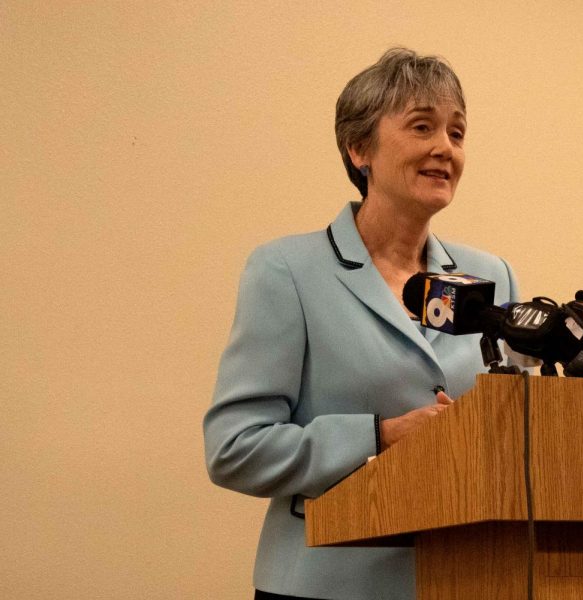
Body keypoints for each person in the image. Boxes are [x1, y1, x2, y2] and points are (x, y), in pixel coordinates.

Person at [203, 48, 519, 600]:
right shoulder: (288, 272)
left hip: (468, 578)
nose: (444, 148)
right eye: (422, 126)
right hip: (326, 584)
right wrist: (382, 434)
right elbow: (235, 448)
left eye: (457, 132)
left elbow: (514, 429)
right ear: (359, 148)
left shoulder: (492, 276)